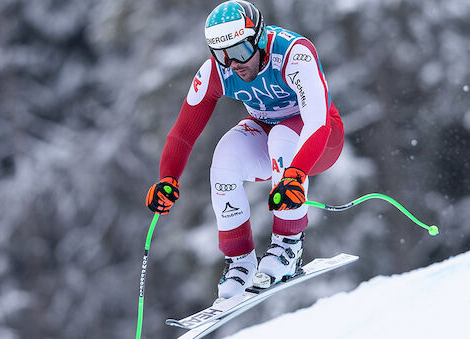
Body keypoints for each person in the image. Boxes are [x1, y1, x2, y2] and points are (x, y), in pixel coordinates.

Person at [146, 1, 344, 300]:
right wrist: (168, 178)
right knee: (225, 154)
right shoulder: (217, 70)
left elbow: (318, 124)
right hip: (272, 138)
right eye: (221, 55)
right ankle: (240, 262)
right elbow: (183, 133)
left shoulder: (293, 54)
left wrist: (295, 174)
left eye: (239, 52)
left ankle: (288, 246)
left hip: (320, 141)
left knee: (280, 136)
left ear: (260, 39)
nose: (233, 64)